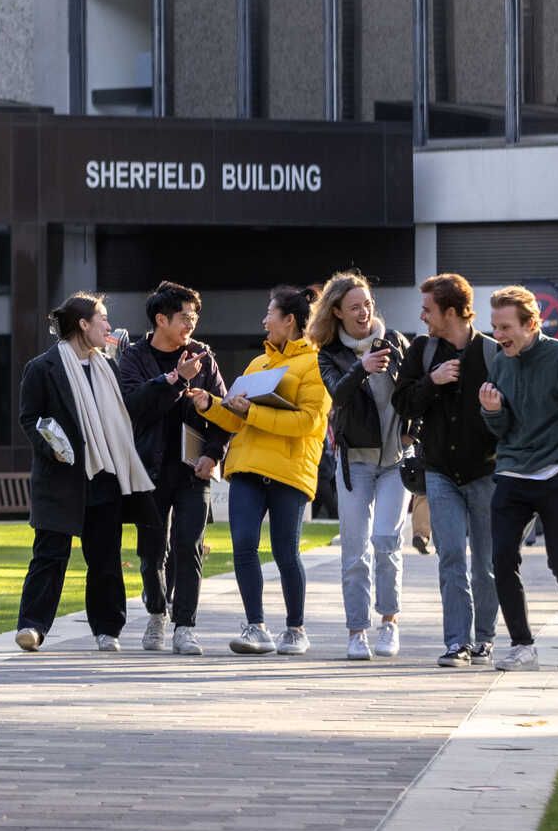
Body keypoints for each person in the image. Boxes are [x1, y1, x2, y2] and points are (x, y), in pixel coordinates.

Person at [192, 284, 329, 656]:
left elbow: (308, 423)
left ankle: (295, 629)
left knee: (287, 553)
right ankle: (256, 627)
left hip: (289, 471)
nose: (264, 320)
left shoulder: (317, 364)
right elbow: (236, 422)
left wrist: (250, 412)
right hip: (248, 467)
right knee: (243, 546)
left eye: (270, 313)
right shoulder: (258, 364)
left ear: (289, 321)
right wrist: (211, 405)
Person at [14, 292, 155, 652]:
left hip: (104, 476)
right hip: (61, 478)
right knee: (49, 555)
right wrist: (53, 448)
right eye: (102, 318)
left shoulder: (109, 367)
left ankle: (107, 629)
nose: (108, 326)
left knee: (105, 557)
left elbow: (128, 411)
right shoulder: (42, 368)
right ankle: (32, 625)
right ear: (83, 324)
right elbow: (30, 419)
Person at [477, 286, 558, 671]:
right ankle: (521, 645)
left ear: (531, 324)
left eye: (506, 327)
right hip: (512, 473)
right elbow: (501, 429)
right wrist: (492, 411)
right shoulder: (499, 363)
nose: (498, 336)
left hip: (556, 475)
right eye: (495, 326)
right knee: (501, 559)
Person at [114, 281, 227, 654]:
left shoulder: (203, 357)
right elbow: (132, 406)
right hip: (148, 469)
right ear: (161, 319)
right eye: (184, 317)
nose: (190, 324)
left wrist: (213, 453)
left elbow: (224, 415)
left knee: (188, 545)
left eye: (194, 317)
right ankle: (157, 611)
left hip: (194, 470)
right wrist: (175, 380)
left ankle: (185, 625)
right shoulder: (133, 357)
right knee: (151, 551)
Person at [393, 271, 499, 668]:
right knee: (451, 555)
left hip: (485, 471)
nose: (422, 316)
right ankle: (458, 642)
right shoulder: (421, 351)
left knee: (486, 561)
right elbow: (403, 404)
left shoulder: (491, 354)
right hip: (438, 472)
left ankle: (484, 640)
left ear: (451, 312)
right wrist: (432, 381)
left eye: (428, 309)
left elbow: (508, 414)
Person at [313, 272, 413, 661]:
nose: (363, 311)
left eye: (367, 303)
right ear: (337, 311)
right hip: (354, 464)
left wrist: (412, 435)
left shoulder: (396, 343)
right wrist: (363, 367)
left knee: (386, 542)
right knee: (355, 551)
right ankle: (357, 632)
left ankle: (389, 622)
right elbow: (337, 393)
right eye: (354, 306)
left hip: (394, 462)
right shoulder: (329, 354)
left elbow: (413, 394)